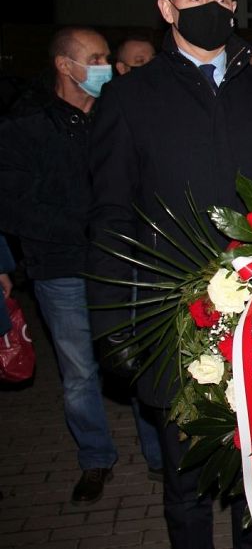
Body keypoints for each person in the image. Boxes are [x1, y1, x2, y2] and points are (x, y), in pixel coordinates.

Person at [87, 0, 252, 549]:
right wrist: (112, 323)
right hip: (172, 318)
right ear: (167, 8)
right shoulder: (131, 98)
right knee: (187, 485)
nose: (213, 8)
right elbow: (110, 216)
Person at [0, 27, 119, 504]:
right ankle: (95, 457)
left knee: (136, 360)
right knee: (80, 372)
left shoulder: (117, 117)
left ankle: (159, 454)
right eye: (96, 59)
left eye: (107, 57)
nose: (105, 67)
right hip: (62, 268)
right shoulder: (25, 127)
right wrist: (86, 227)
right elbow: (14, 206)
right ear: (65, 66)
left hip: (120, 262)